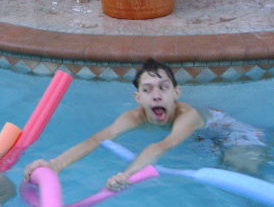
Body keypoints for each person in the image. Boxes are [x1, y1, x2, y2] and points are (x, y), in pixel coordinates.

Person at [24, 59, 267, 190]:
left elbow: (163, 146)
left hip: (230, 131)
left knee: (242, 169)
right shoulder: (134, 117)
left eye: (163, 88)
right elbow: (97, 139)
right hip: (202, 139)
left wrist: (128, 174)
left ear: (176, 92)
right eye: (148, 90)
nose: (156, 95)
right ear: (138, 98)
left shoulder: (187, 115)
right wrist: (55, 164)